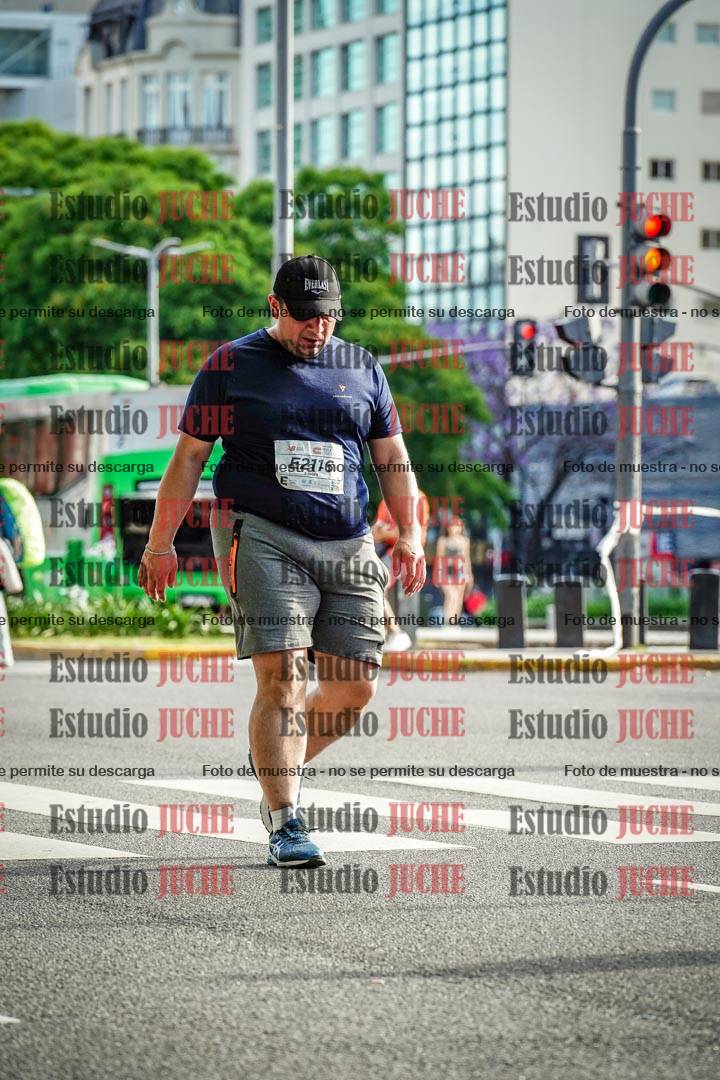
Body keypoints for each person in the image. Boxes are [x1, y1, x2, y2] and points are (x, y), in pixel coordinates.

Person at [138, 255, 426, 869]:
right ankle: (285, 816)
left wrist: (412, 534)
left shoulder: (361, 368)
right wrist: (160, 544)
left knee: (354, 685)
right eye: (303, 317)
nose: (316, 330)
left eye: (328, 318)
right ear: (275, 307)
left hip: (348, 540)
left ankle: (274, 758)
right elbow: (189, 459)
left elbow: (392, 458)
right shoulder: (231, 366)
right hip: (261, 531)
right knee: (284, 677)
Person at [371, 491, 429, 651]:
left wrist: (386, 532)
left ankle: (395, 632)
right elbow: (375, 531)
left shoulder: (417, 498)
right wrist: (389, 532)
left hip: (406, 552)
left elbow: (410, 534)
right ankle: (388, 633)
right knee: (372, 585)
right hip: (389, 551)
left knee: (375, 586)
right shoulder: (386, 499)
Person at [433, 516, 473, 623]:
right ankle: (448, 620)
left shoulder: (464, 541)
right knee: (451, 595)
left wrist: (469, 575)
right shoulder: (443, 541)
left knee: (459, 597)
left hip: (460, 571)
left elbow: (467, 559)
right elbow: (439, 558)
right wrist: (438, 574)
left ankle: (454, 621)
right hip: (447, 571)